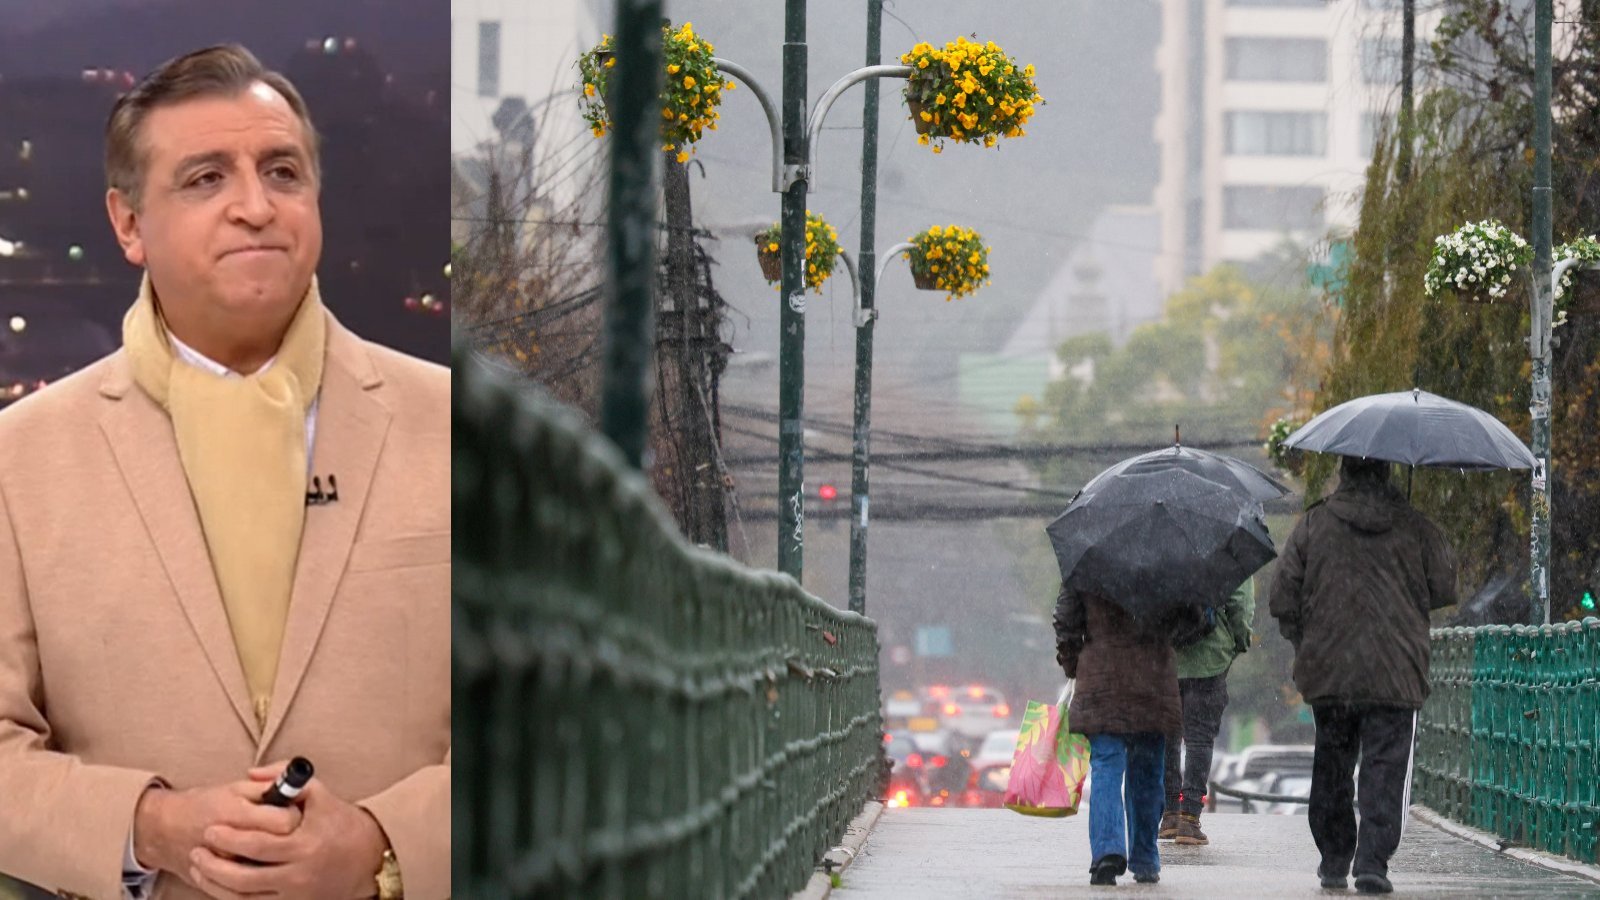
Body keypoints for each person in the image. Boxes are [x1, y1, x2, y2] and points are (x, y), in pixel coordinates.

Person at [0, 46, 448, 899]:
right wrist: (149, 827)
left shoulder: (462, 430)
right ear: (128, 224)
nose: (254, 206)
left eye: (282, 171)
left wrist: (386, 848)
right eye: (205, 179)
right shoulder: (18, 460)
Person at [1270, 455, 1456, 895]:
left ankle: (1335, 857)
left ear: (1345, 471)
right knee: (1386, 767)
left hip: (1331, 670)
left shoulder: (1314, 525)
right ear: (1389, 472)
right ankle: (1372, 861)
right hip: (1396, 671)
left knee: (1332, 763)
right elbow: (1445, 586)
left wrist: (1307, 639)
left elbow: (1282, 595)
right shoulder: (1414, 526)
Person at [1054, 584, 1195, 887]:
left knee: (1106, 765)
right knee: (1147, 773)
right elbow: (1195, 618)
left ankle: (1107, 852)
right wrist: (1162, 638)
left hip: (1102, 681)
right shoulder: (1168, 561)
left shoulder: (1087, 559)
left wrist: (1072, 663)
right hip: (1153, 680)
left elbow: (1066, 620)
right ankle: (1145, 859)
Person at [1160, 577, 1254, 846]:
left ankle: (1169, 814)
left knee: (1169, 737)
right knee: (1199, 739)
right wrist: (1239, 641)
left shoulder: (1164, 544)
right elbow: (1240, 604)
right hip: (1211, 657)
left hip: (1169, 657)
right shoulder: (1230, 548)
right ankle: (1189, 817)